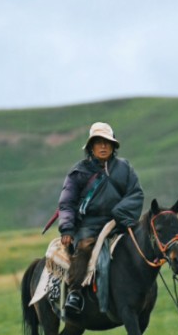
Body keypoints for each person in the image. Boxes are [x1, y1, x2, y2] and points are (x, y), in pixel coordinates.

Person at [58, 122, 144, 312]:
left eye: (107, 142)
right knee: (84, 247)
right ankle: (75, 292)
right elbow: (67, 203)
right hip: (89, 225)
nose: (103, 146)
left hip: (118, 222)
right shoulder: (79, 172)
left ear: (113, 146)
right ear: (91, 147)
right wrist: (67, 229)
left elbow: (136, 195)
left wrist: (119, 214)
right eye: (98, 142)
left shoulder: (125, 168)